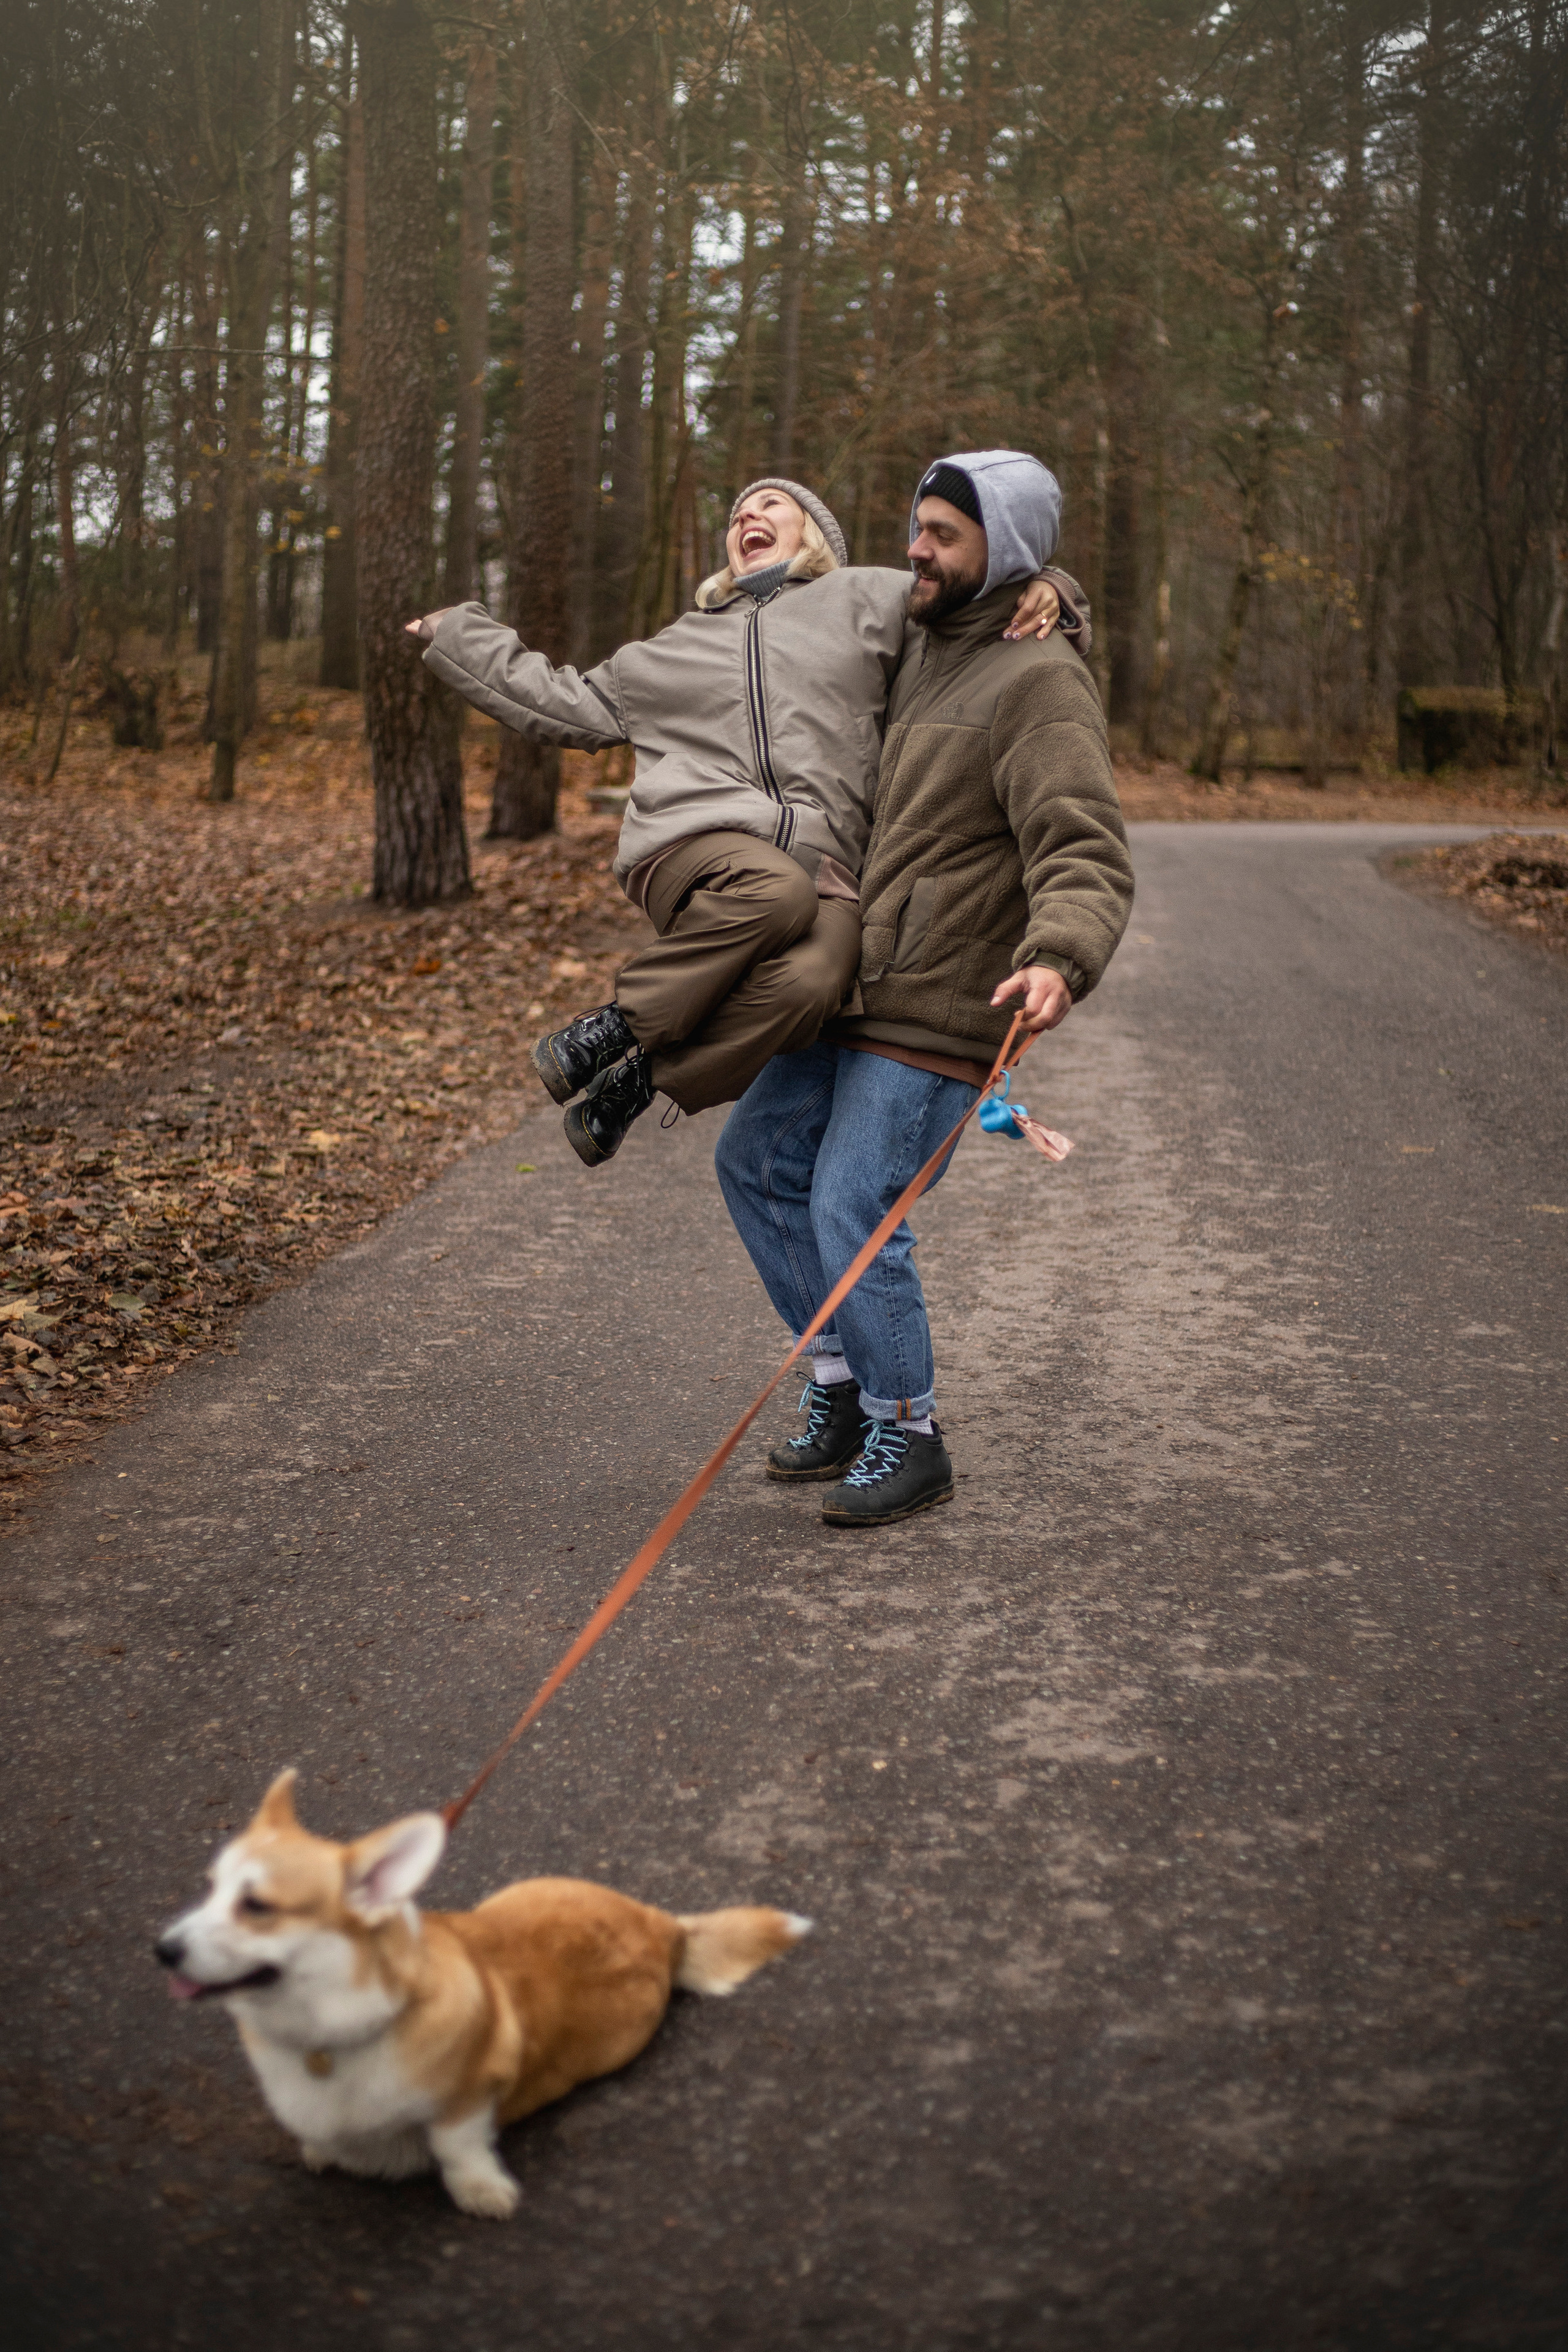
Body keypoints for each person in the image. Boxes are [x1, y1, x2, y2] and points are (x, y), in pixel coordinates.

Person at [408, 480, 1081, 1164]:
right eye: (736, 514)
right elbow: (558, 701)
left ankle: (641, 1082)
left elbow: (960, 594)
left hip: (827, 867)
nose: (746, 517)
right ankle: (611, 1028)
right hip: (690, 844)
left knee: (817, 979)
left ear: (814, 533)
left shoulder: (870, 601)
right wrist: (457, 633)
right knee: (775, 893)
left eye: (769, 506)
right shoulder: (672, 647)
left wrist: (1048, 584)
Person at [714, 450, 1134, 1528]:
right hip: (847, 982)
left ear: (1008, 550)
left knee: (855, 1202)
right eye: (918, 529)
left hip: (943, 1004)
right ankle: (847, 1395)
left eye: (946, 535)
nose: (918, 549)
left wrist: (1060, 955)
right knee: (756, 1162)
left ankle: (913, 1432)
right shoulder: (911, 644)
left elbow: (1082, 846)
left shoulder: (1040, 680)